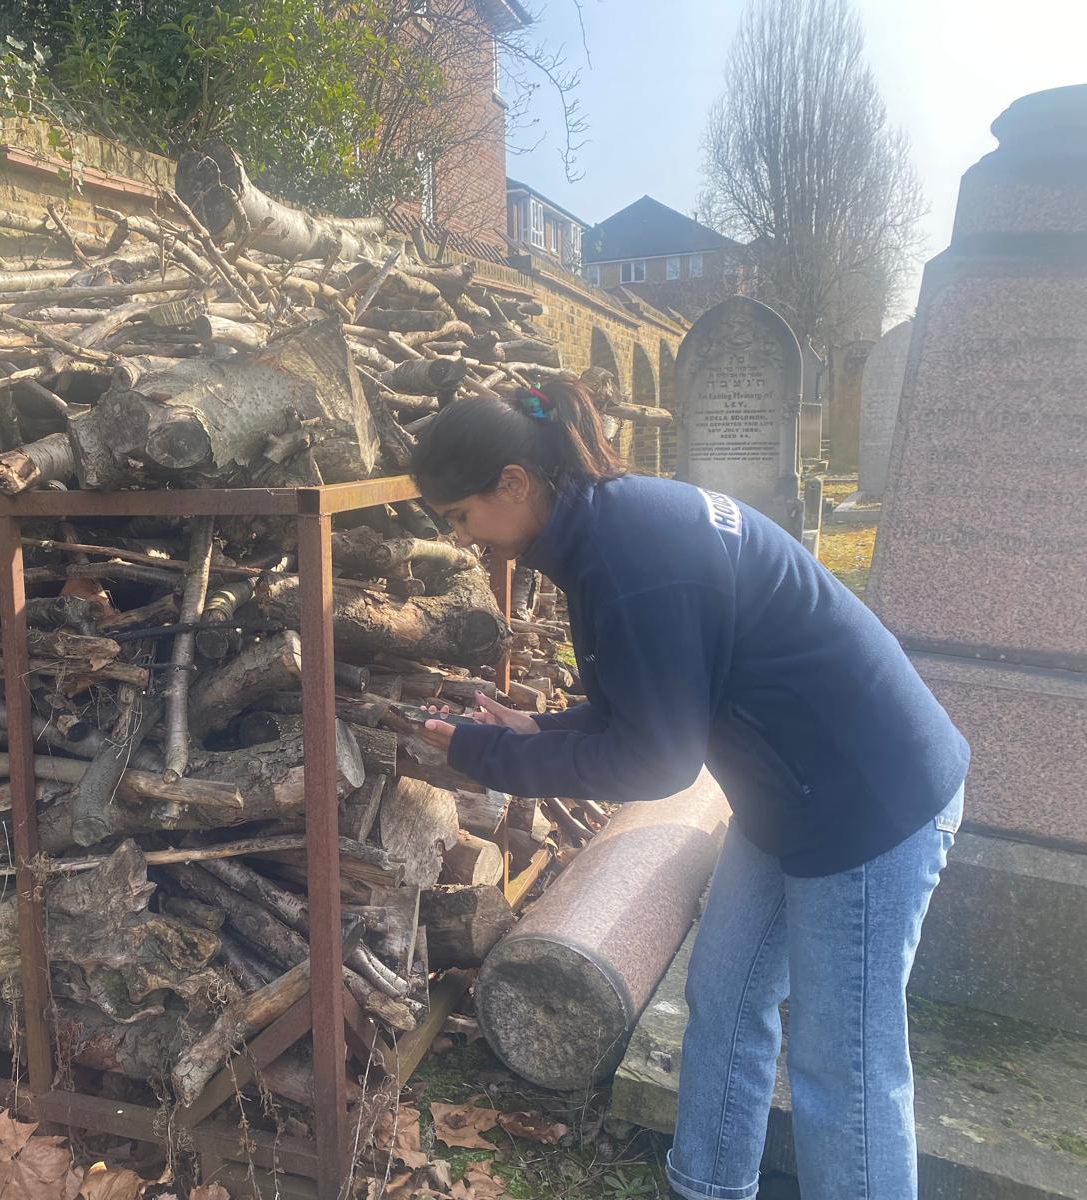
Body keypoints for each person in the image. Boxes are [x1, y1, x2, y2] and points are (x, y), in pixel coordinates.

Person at [410, 382, 968, 1200]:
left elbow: (658, 762)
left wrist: (490, 757)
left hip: (869, 802)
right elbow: (649, 696)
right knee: (727, 1001)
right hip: (788, 792)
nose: (462, 539)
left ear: (513, 484)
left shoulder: (629, 553)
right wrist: (543, 732)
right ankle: (705, 1187)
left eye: (458, 516)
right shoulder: (607, 528)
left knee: (840, 1066)